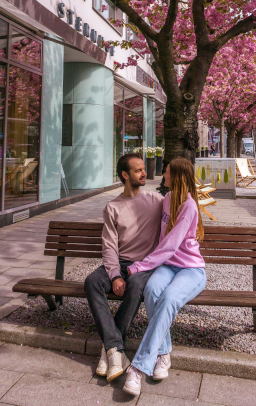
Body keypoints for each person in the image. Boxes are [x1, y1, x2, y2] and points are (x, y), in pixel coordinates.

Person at [123, 158, 207, 396]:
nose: (163, 174)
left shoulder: (189, 205)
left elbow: (170, 245)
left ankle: (138, 368)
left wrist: (140, 266)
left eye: (167, 171)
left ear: (177, 176)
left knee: (169, 298)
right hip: (168, 266)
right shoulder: (168, 199)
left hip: (191, 270)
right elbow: (149, 212)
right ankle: (163, 351)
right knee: (151, 291)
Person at [84, 152, 163, 382]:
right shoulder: (112, 207)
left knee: (137, 285)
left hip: (144, 266)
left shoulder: (156, 201)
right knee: (91, 282)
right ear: (125, 175)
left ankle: (110, 350)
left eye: (143, 169)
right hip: (120, 263)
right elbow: (109, 247)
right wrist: (115, 275)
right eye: (138, 170)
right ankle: (116, 349)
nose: (144, 173)